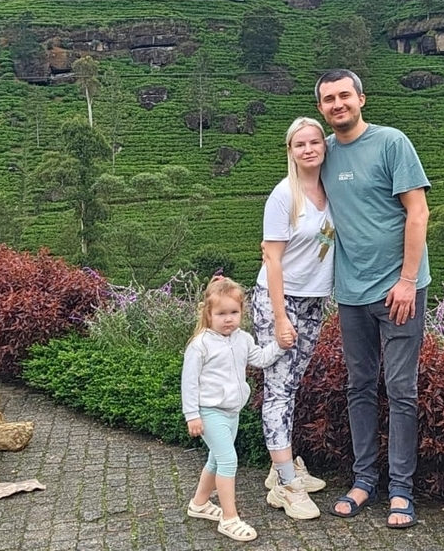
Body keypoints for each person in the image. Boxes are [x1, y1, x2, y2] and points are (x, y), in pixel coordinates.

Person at [314, 68, 431, 529]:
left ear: (362, 98)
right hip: (351, 292)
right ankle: (364, 480)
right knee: (359, 387)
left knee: (401, 390)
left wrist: (406, 280)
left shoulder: (391, 143)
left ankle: (401, 489)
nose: (337, 104)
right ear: (321, 107)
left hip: (399, 290)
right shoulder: (321, 151)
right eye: (328, 99)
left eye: (344, 96)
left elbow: (417, 211)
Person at [252, 117, 335, 521]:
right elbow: (271, 256)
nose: (308, 149)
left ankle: (278, 468)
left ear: (324, 146)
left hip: (314, 301)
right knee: (278, 390)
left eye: (314, 142)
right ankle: (286, 484)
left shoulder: (329, 190)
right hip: (279, 302)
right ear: (290, 151)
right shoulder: (284, 196)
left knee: (292, 384)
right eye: (299, 144)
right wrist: (281, 318)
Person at [181, 277, 285, 543]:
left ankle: (200, 503)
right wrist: (192, 414)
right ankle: (229, 518)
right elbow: (189, 382)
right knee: (228, 460)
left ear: (241, 312)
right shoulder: (200, 345)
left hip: (232, 412)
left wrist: (279, 346)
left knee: (216, 459)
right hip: (209, 411)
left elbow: (259, 359)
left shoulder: (243, 339)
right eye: (221, 314)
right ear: (209, 313)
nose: (228, 319)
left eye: (234, 313)